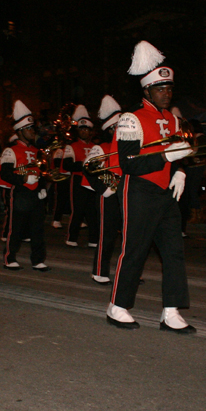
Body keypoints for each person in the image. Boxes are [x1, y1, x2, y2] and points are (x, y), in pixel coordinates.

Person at [106, 41, 194, 333]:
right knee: (135, 250)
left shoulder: (173, 119)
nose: (166, 94)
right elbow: (129, 163)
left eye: (169, 88)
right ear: (146, 91)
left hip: (166, 192)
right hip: (140, 191)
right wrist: (167, 157)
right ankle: (118, 306)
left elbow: (181, 152)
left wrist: (180, 170)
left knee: (173, 251)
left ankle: (171, 311)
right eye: (160, 89)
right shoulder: (131, 119)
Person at [0, 100, 49, 271]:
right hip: (20, 192)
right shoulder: (10, 151)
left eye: (32, 128)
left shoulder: (36, 151)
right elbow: (4, 173)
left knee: (37, 229)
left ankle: (37, 259)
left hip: (35, 194)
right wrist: (23, 180)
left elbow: (40, 171)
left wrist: (42, 187)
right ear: (20, 131)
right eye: (28, 129)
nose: (32, 132)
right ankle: (9, 258)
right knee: (16, 228)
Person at [83, 95, 122, 284]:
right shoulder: (101, 147)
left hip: (128, 194)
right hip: (109, 195)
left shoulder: (130, 147)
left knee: (130, 238)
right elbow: (89, 169)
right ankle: (100, 270)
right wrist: (103, 188)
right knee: (107, 235)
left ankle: (129, 272)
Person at [63, 105, 99, 247]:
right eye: (82, 129)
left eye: (86, 130)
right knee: (77, 210)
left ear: (90, 132)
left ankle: (93, 239)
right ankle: (72, 238)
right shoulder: (72, 146)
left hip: (91, 180)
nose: (84, 132)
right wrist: (83, 165)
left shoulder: (95, 147)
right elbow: (67, 165)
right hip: (78, 179)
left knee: (92, 211)